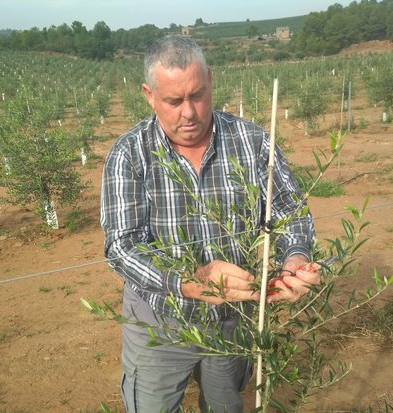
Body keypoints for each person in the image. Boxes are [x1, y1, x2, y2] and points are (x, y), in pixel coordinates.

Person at [100, 36, 320, 413]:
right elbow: (121, 246)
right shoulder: (129, 154)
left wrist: (295, 257)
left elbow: (290, 211)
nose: (189, 112)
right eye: (173, 101)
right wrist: (187, 281)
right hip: (161, 318)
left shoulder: (252, 142)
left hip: (233, 317)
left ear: (211, 81)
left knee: (225, 403)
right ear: (149, 95)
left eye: (197, 95)